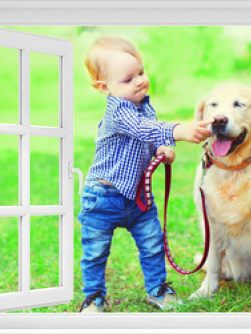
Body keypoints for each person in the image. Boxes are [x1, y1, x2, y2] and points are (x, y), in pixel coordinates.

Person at [78, 36, 213, 312]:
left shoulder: (145, 108)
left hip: (138, 197)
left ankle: (158, 290)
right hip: (103, 198)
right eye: (128, 79)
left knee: (152, 244)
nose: (139, 80)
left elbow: (147, 137)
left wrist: (163, 147)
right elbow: (140, 129)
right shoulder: (118, 111)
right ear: (105, 87)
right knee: (95, 252)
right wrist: (178, 131)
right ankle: (93, 298)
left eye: (140, 72)